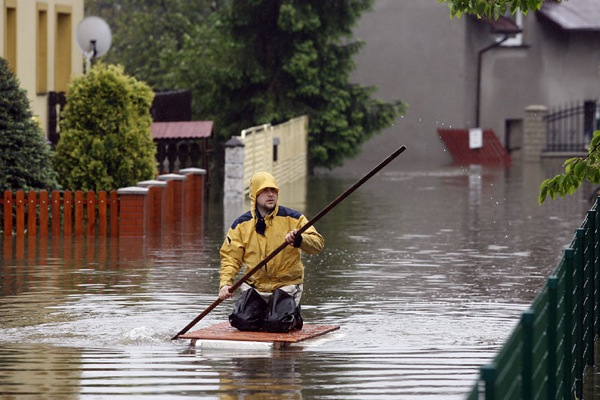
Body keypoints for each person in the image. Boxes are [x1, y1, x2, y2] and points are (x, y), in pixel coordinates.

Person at [218, 171, 324, 332]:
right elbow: (230, 258)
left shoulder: (294, 219)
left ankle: (294, 316)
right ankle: (266, 312)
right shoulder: (241, 225)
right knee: (241, 321)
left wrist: (299, 240)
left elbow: (317, 244)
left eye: (273, 190)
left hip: (286, 284)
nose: (270, 194)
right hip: (256, 285)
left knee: (276, 324)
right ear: (254, 194)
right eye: (265, 190)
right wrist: (225, 284)